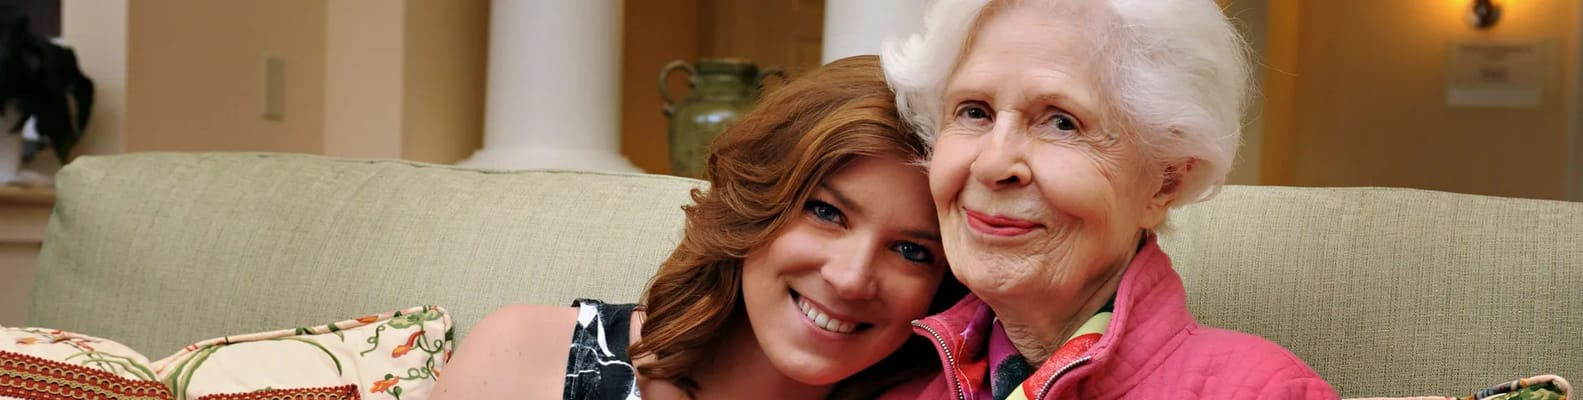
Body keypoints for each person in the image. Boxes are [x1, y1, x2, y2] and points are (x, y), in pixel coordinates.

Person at [431, 55, 967, 400]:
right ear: (754, 206)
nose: (851, 278)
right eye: (826, 212)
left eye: (911, 251)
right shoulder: (527, 354)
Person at [878, 0, 1339, 398]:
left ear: (1164, 183)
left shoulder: (1259, 390)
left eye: (1062, 122)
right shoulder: (898, 387)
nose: (993, 164)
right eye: (974, 112)